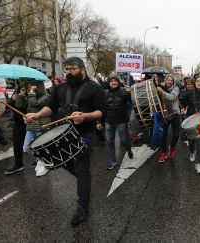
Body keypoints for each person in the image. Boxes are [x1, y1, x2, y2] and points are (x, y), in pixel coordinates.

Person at [25, 57, 106, 226]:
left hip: (84, 133)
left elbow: (100, 112)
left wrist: (85, 116)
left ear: (82, 69)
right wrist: (38, 114)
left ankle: (82, 208)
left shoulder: (94, 88)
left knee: (82, 167)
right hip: (62, 134)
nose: (69, 72)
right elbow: (51, 106)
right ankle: (85, 184)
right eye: (67, 69)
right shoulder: (60, 87)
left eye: (73, 68)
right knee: (63, 161)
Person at [99, 75, 133, 170]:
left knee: (124, 140)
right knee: (109, 142)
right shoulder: (104, 93)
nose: (113, 82)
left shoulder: (124, 91)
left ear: (118, 82)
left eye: (115, 81)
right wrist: (98, 121)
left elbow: (131, 103)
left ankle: (128, 149)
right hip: (108, 122)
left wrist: (130, 93)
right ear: (108, 83)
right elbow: (101, 108)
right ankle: (112, 161)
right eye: (111, 81)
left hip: (121, 121)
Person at [181, 75, 200, 174]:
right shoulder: (189, 94)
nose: (199, 83)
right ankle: (191, 152)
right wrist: (182, 109)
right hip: (190, 121)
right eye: (197, 81)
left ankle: (198, 164)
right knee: (191, 142)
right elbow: (183, 104)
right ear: (195, 83)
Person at [22, 82, 52, 176]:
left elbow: (34, 103)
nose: (30, 88)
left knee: (41, 147)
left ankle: (45, 164)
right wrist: (20, 95)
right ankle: (40, 159)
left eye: (32, 87)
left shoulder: (46, 96)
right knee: (26, 147)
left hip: (42, 124)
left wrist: (31, 93)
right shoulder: (31, 95)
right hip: (31, 125)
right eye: (29, 87)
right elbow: (20, 105)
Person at [156, 74, 180, 163]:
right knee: (164, 135)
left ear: (173, 82)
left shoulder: (176, 89)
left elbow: (172, 97)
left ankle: (172, 148)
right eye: (168, 80)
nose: (169, 81)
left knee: (176, 135)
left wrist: (161, 92)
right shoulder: (160, 87)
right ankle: (163, 153)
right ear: (165, 81)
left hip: (175, 114)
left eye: (171, 80)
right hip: (165, 115)